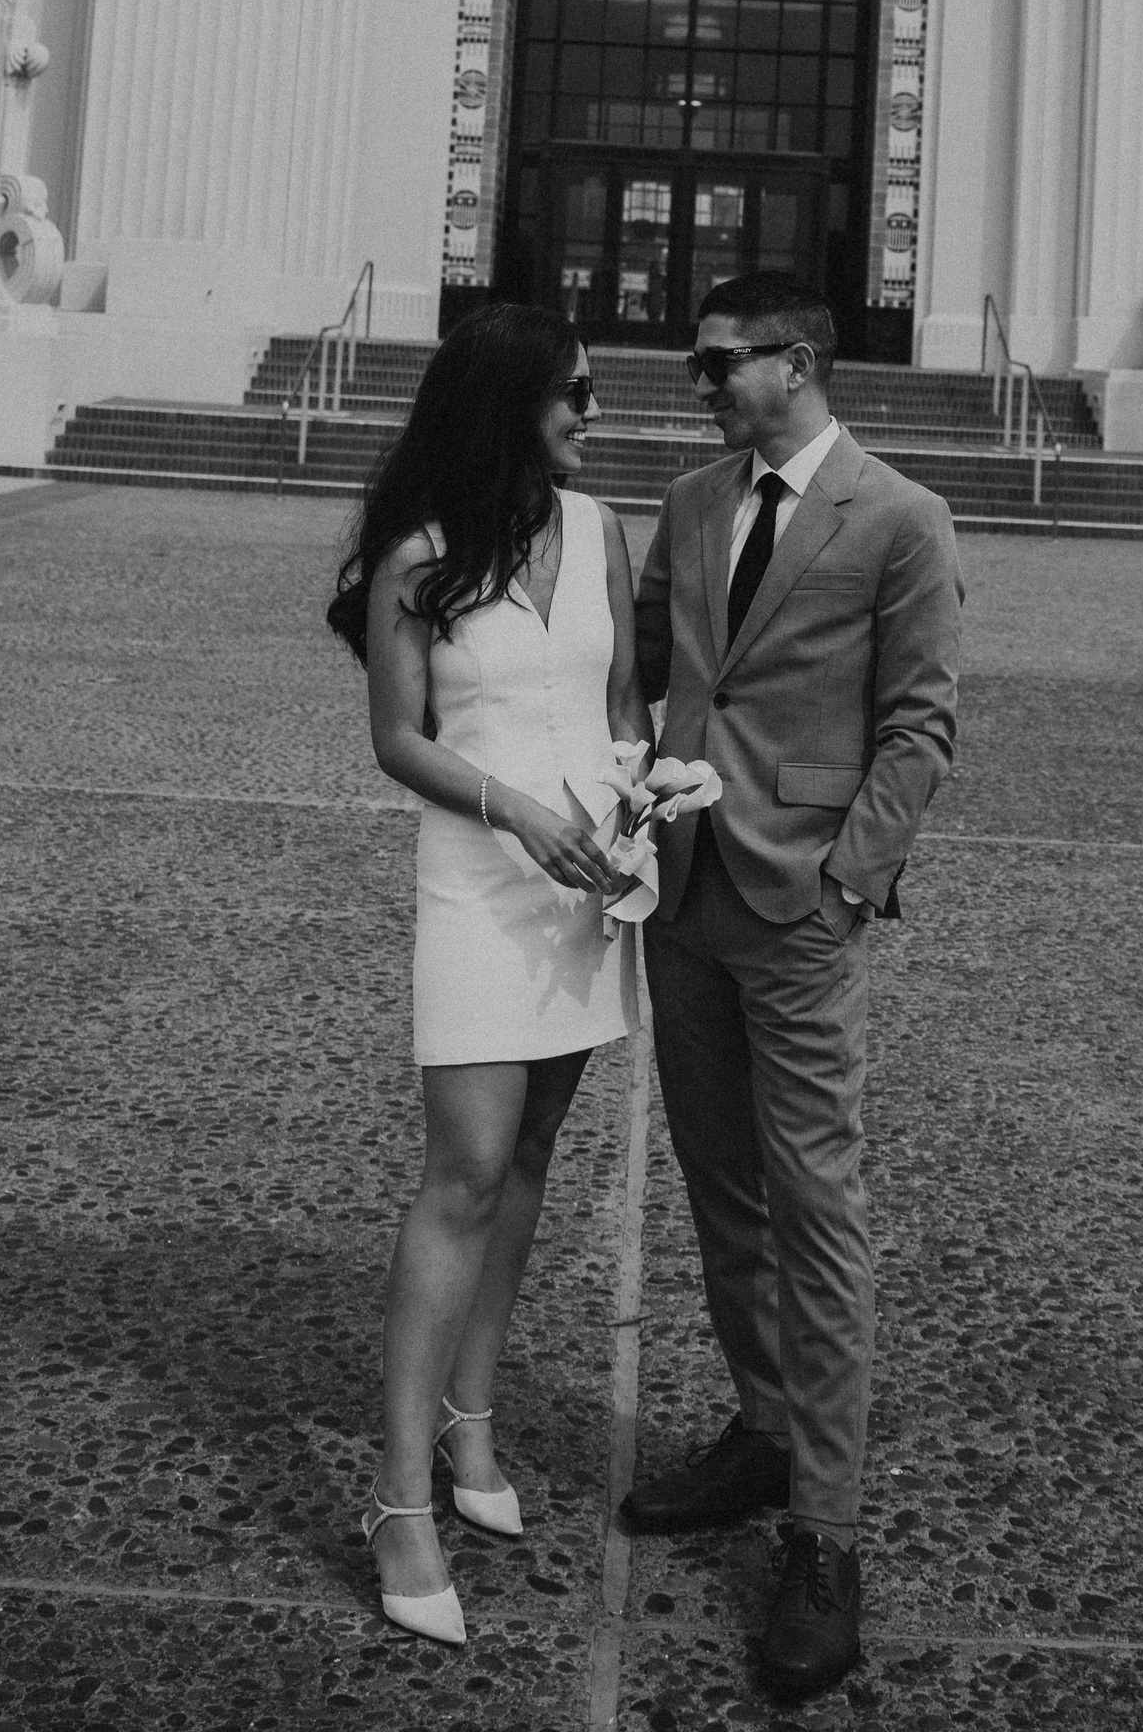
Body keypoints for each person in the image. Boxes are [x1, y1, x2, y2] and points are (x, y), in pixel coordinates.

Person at [623, 271, 962, 1698]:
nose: (700, 386)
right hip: (685, 898)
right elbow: (640, 660)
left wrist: (848, 881)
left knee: (819, 1210)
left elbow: (922, 723)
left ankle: (825, 1531)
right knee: (723, 1190)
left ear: (798, 363)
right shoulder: (694, 502)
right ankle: (764, 1429)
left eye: (719, 364)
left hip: (803, 908)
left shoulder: (900, 517)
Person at [328, 303, 646, 1646]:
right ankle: (399, 1502)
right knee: (462, 1171)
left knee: (529, 1159)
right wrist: (513, 808)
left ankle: (473, 1420)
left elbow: (622, 705)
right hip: (477, 876)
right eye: (574, 391)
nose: (593, 412)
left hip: (586, 885)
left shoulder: (603, 529)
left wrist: (638, 810)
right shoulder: (420, 554)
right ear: (507, 403)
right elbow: (398, 740)